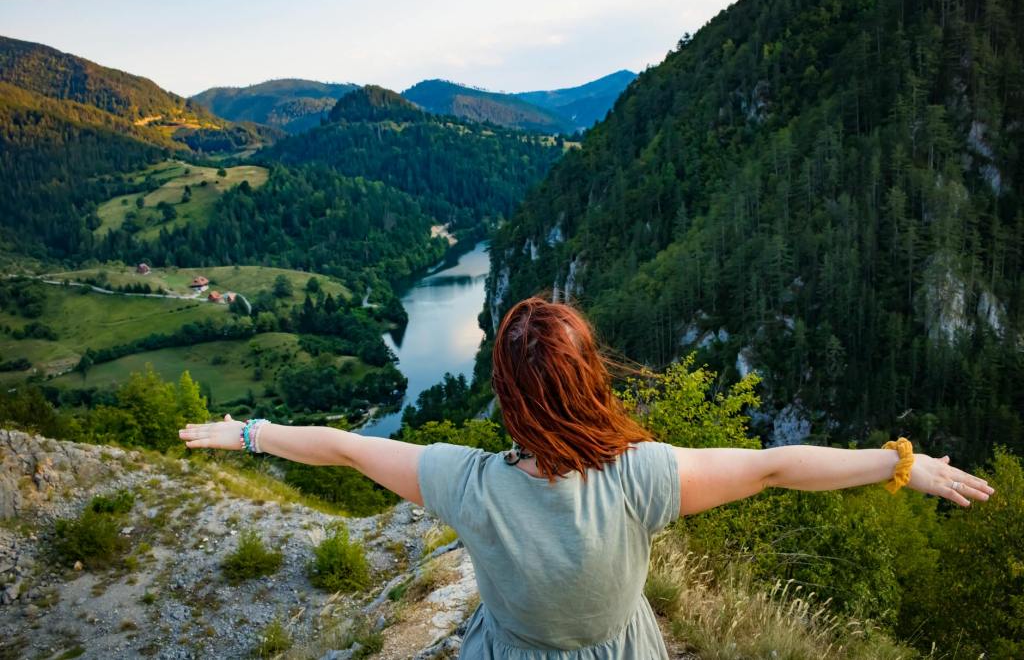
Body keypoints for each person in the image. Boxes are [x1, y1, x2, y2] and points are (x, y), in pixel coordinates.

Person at [179, 297, 995, 659]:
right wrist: (900, 464)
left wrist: (249, 432)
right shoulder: (643, 477)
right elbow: (779, 465)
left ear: (505, 395)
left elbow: (346, 447)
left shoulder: (466, 483)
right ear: (592, 384)